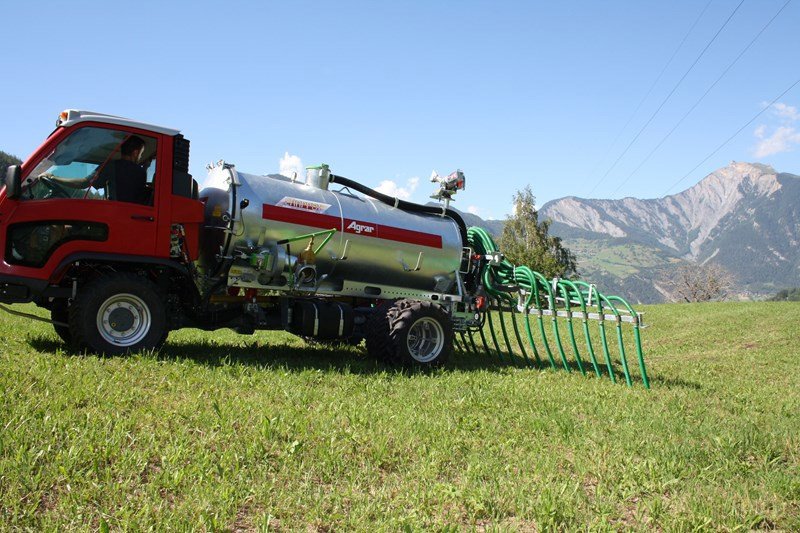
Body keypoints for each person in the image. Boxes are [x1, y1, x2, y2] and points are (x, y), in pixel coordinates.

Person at [44, 136, 151, 205]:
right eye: (141, 154)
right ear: (135, 153)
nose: (140, 157)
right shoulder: (140, 172)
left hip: (113, 214)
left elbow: (84, 183)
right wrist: (145, 168)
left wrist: (52, 177)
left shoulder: (111, 166)